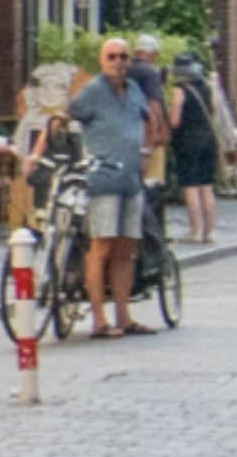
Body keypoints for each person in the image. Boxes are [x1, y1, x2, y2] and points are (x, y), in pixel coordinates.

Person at [38, 38, 156, 339]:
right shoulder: (92, 91)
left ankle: (124, 317)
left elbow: (150, 119)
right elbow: (61, 118)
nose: (118, 62)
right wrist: (38, 151)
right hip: (103, 180)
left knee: (126, 250)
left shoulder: (134, 91)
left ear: (130, 61)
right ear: (102, 61)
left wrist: (147, 151)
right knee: (100, 248)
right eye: (112, 57)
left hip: (131, 181)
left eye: (123, 57)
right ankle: (99, 321)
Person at [167, 53, 222, 244]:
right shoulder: (207, 88)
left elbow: (174, 121)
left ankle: (195, 231)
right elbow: (214, 111)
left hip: (187, 143)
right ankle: (209, 232)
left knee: (190, 187)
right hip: (207, 141)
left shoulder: (179, 91)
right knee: (206, 186)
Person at [128, 35, 171, 192]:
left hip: (125, 131)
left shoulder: (123, 69)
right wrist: (159, 131)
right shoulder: (149, 72)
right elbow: (154, 104)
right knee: (148, 179)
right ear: (152, 53)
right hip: (146, 132)